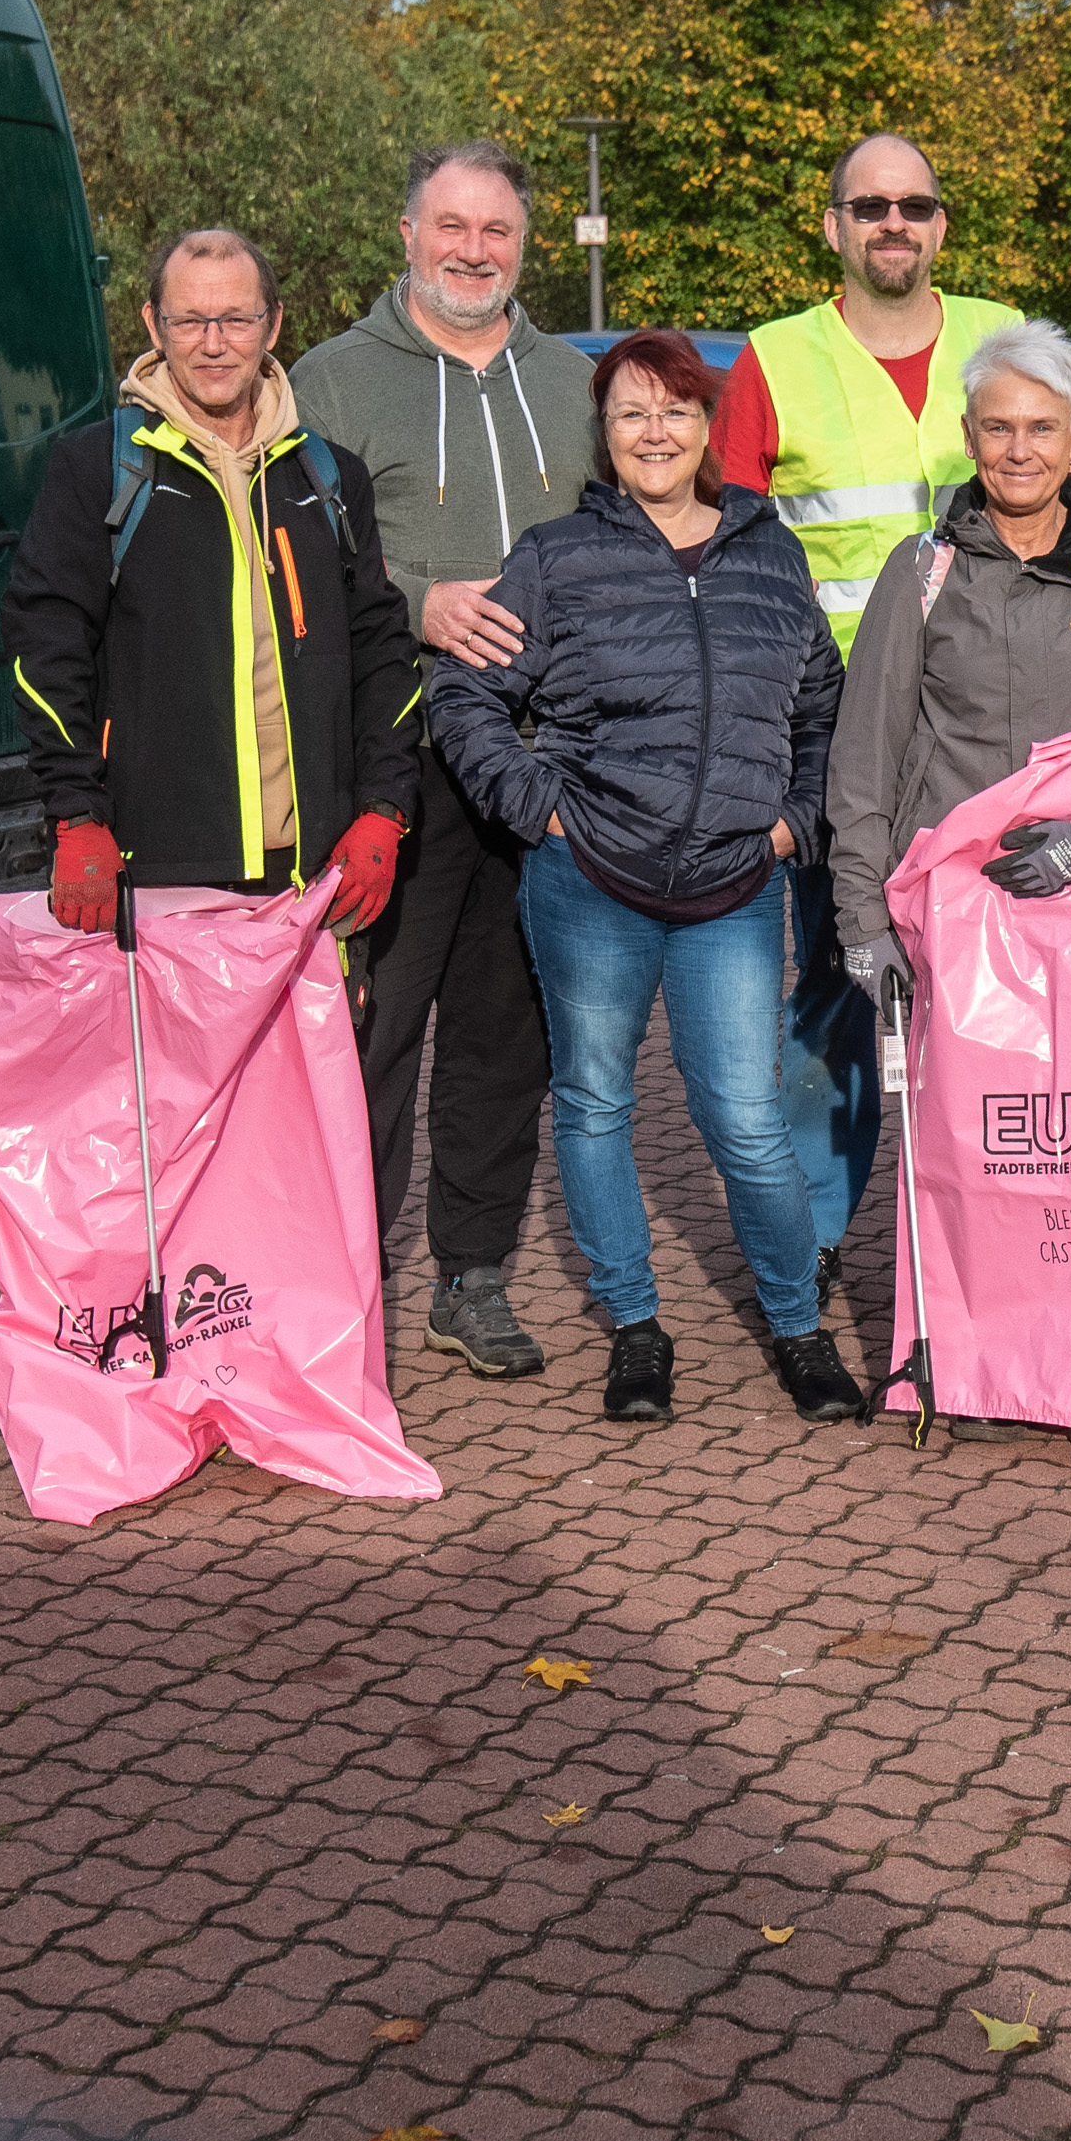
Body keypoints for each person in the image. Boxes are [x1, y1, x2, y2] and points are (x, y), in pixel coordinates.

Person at [428, 331, 861, 1429]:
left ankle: (796, 1328)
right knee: (594, 1102)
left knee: (747, 1120)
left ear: (707, 427)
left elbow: (822, 705)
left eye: (673, 410)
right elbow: (463, 694)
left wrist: (791, 822)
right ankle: (633, 1327)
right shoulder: (558, 555)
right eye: (629, 414)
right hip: (589, 880)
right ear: (606, 435)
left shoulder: (770, 555)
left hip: (733, 883)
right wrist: (540, 807)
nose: (653, 432)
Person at [825, 318, 1071, 1470]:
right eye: (996, 427)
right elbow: (867, 752)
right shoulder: (924, 570)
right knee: (977, 1148)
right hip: (964, 912)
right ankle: (970, 1364)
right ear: (967, 434)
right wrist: (862, 916)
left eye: (1039, 428)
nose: (1017, 449)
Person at [290, 141, 595, 1382]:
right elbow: (301, 569)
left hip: (540, 768)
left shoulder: (575, 383)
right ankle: (340, 1285)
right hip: (398, 758)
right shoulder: (329, 383)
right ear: (407, 235)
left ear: (523, 246)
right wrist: (419, 601)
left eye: (500, 232)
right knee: (374, 1030)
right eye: (452, 226)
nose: (475, 250)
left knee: (504, 1035)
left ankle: (471, 1279)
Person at [710, 133, 1027, 1298]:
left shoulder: (1004, 337)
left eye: (916, 205)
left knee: (987, 987)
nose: (893, 222)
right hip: (831, 728)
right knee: (839, 981)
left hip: (982, 729)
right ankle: (817, 1229)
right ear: (833, 224)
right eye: (869, 205)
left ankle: (983, 1219)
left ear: (941, 225)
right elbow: (735, 561)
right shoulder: (774, 359)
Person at [6, 227, 417, 933]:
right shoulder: (95, 469)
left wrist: (384, 810)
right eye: (189, 320)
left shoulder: (327, 476)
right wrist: (75, 815)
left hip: (311, 874)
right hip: (156, 871)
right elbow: (47, 651)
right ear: (152, 325)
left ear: (273, 323)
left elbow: (382, 653)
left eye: (236, 319)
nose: (214, 343)